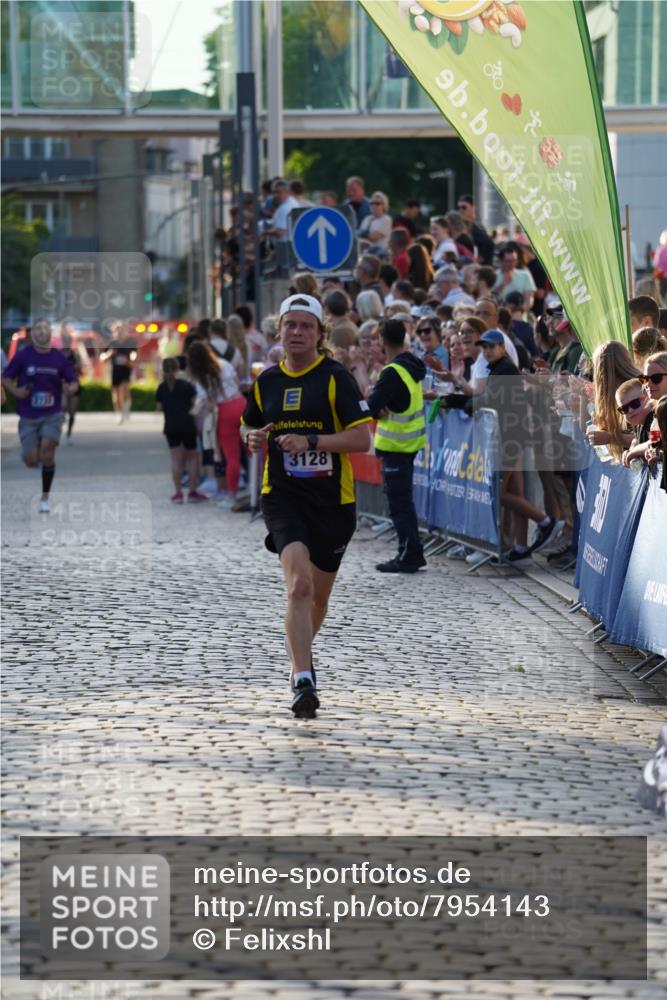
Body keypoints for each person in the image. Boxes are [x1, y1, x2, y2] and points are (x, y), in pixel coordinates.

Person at [241, 294, 372, 717]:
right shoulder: (266, 381)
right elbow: (250, 422)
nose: (297, 333)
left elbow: (361, 439)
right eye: (290, 325)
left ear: (319, 334)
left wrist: (312, 441)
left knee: (317, 598)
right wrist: (253, 438)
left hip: (334, 500)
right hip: (282, 495)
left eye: (305, 326)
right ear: (279, 331)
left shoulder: (335, 378)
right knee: (298, 585)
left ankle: (301, 654)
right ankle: (302, 677)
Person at [367, 319, 427, 574]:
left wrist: (376, 403)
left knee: (399, 504)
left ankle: (409, 554)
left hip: (396, 445)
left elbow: (371, 405)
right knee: (404, 502)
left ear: (382, 340)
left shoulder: (392, 372)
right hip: (409, 444)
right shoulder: (411, 366)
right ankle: (412, 551)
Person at [2, 319, 78, 514]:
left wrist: (70, 388)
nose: (41, 331)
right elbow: (6, 377)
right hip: (28, 415)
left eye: (45, 328)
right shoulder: (22, 356)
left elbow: (73, 381)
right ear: (32, 334)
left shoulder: (59, 358)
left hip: (52, 414)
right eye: (37, 328)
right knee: (31, 460)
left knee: (48, 450)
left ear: (50, 333)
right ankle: (29, 453)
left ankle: (45, 497)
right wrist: (17, 392)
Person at [188, 340, 246, 508]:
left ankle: (232, 496)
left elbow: (208, 404)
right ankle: (261, 491)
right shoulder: (224, 364)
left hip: (224, 412)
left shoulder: (199, 378)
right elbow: (237, 382)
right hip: (241, 404)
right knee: (255, 452)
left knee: (231, 458)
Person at [155, 358, 207, 503]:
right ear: (178, 369)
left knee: (175, 460)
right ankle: (192, 491)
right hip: (187, 426)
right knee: (192, 458)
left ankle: (177, 493)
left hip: (171, 427)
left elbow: (159, 408)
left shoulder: (162, 387)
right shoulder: (187, 386)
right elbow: (196, 404)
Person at [101, 335, 135, 424]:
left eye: (121, 330)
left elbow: (134, 354)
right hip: (115, 371)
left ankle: (125, 410)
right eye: (117, 330)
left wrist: (130, 360)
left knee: (124, 391)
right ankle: (119, 413)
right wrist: (109, 354)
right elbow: (102, 357)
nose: (119, 332)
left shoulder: (128, 343)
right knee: (115, 395)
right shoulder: (111, 343)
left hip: (125, 371)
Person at [494, 242, 536, 311]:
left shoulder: (525, 275)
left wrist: (521, 311)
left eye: (514, 260)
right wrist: (503, 284)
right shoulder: (494, 275)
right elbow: (490, 297)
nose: (512, 264)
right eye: (508, 261)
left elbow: (529, 298)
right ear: (501, 261)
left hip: (519, 315)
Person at [456, 194, 494, 264]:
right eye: (458, 208)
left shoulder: (477, 228)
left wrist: (478, 261)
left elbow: (488, 244)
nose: (460, 210)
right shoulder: (459, 228)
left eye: (464, 207)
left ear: (473, 208)